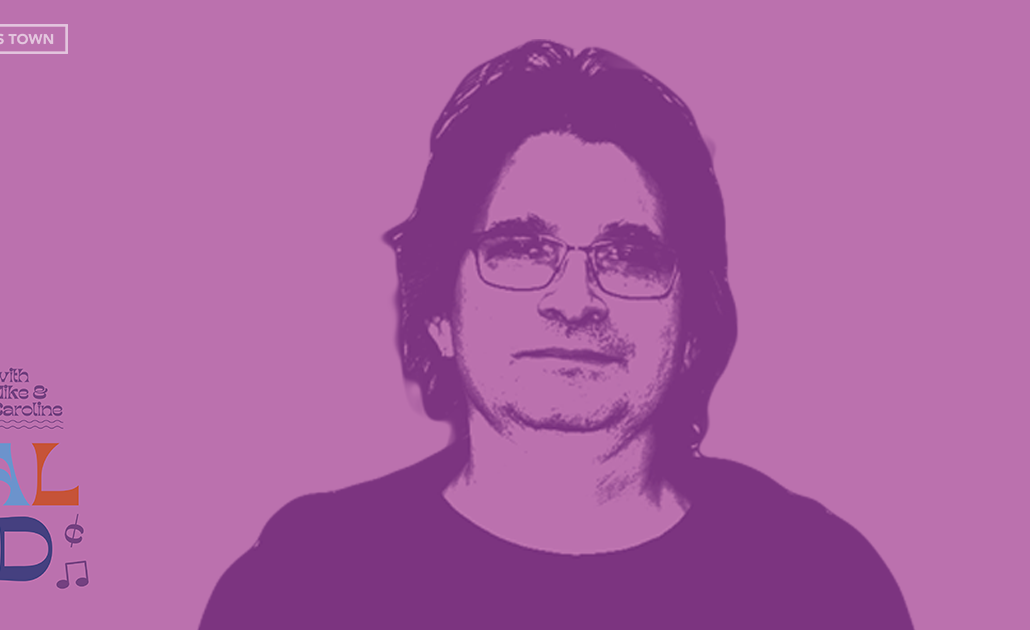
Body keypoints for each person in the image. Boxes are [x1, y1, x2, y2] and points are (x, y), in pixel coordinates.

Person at [200, 40, 914, 629]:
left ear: (694, 327)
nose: (575, 301)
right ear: (438, 312)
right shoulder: (302, 586)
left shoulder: (821, 585)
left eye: (628, 257)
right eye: (520, 250)